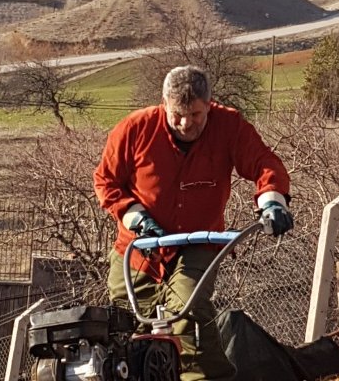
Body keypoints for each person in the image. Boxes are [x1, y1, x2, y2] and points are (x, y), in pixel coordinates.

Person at [93, 65, 293, 381]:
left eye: (196, 115)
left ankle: (207, 378)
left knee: (186, 308)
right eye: (177, 115)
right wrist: (136, 217)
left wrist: (272, 201)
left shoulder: (229, 126)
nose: (186, 124)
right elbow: (106, 181)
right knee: (124, 320)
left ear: (209, 106)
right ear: (164, 103)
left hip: (198, 241)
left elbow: (264, 163)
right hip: (139, 245)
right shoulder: (135, 129)